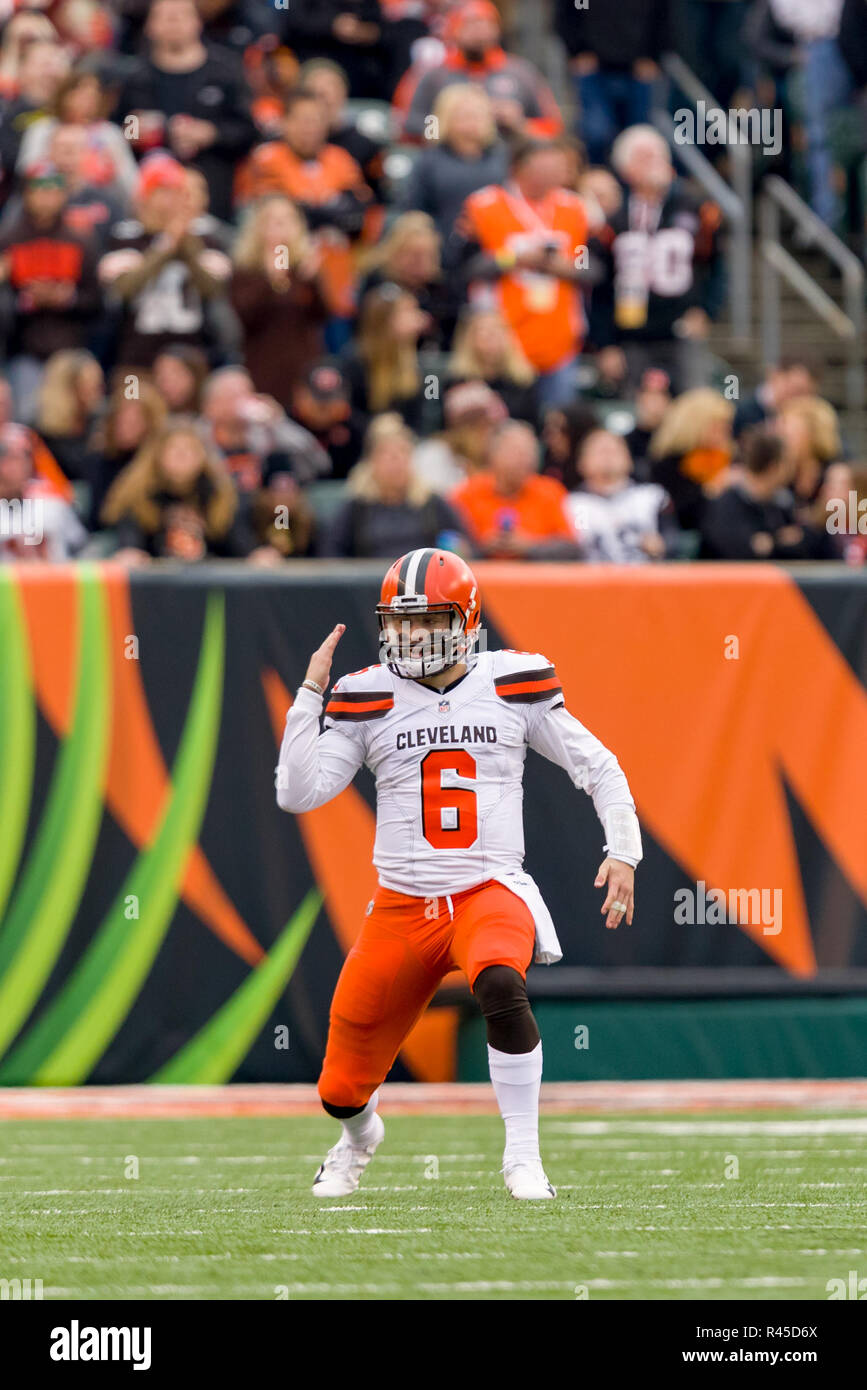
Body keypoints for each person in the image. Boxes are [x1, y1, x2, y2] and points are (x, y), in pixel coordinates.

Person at [276, 547, 642, 1198]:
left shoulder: (510, 682)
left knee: (501, 980)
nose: (411, 634)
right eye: (400, 622)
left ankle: (522, 1158)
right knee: (338, 1090)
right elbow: (297, 793)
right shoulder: (367, 695)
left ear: (465, 619)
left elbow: (600, 766)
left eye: (427, 619)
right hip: (401, 904)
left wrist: (623, 848)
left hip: (487, 888)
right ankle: (359, 1138)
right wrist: (308, 696)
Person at [447, 139, 590, 406]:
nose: (551, 174)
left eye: (556, 166)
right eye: (543, 166)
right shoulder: (484, 204)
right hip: (500, 339)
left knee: (556, 420)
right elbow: (464, 267)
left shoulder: (574, 207)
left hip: (558, 335)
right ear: (519, 167)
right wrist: (513, 258)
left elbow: (595, 269)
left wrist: (567, 268)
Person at [591, 125, 724, 396]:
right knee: (636, 406)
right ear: (626, 168)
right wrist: (605, 343)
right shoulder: (614, 221)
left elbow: (718, 264)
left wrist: (707, 310)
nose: (654, 162)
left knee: (691, 407)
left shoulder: (696, 209)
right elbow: (600, 285)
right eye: (644, 157)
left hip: (681, 330)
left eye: (658, 155)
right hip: (632, 335)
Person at [112, 0, 257, 222]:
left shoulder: (226, 71)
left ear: (198, 22)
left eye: (181, 14)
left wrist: (211, 133)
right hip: (150, 202)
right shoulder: (135, 76)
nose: (174, 22)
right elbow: (115, 132)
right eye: (165, 16)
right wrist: (134, 132)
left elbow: (249, 132)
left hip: (212, 196)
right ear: (150, 26)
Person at [98, 152, 233, 368]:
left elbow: (213, 289)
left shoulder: (204, 235)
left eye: (175, 192)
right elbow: (123, 289)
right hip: (139, 355)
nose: (170, 201)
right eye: (162, 192)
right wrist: (165, 246)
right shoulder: (125, 236)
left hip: (192, 357)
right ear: (144, 197)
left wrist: (187, 245)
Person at [0, 160, 100, 422]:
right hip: (24, 349)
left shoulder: (80, 241)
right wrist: (25, 301)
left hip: (71, 348)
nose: (47, 197)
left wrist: (68, 299)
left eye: (54, 190)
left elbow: (98, 301)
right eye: (40, 189)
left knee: (76, 419)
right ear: (27, 193)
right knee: (26, 417)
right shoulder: (8, 240)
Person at [394, 0, 563, 142]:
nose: (479, 32)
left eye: (485, 24)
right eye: (470, 24)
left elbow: (553, 127)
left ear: (497, 30)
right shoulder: (435, 74)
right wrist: (450, 126)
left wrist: (520, 125)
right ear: (453, 30)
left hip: (507, 157)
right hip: (448, 160)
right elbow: (410, 123)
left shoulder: (520, 73)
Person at [101, 418, 248, 562]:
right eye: (174, 449)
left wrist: (255, 554)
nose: (182, 456)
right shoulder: (138, 494)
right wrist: (130, 552)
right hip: (155, 580)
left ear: (203, 456)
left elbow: (239, 543)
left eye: (190, 449)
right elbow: (130, 543)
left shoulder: (218, 494)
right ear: (158, 455)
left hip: (208, 580)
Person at [230, 195, 328, 409]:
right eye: (273, 220)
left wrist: (312, 282)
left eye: (287, 220)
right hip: (263, 367)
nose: (280, 228)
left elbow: (322, 315)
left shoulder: (304, 268)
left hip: (303, 369)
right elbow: (245, 318)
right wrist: (270, 281)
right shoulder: (247, 270)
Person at [324, 413, 466, 557]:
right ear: (371, 460)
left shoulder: (431, 503)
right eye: (387, 454)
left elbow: (467, 547)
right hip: (372, 579)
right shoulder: (357, 507)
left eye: (402, 452)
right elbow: (331, 554)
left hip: (421, 577)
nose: (396, 461)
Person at [554, 0, 668, 165]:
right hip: (593, 70)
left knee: (638, 140)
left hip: (639, 71)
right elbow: (567, 13)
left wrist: (653, 57)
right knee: (596, 135)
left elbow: (663, 16)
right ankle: (597, 181)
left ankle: (630, 190)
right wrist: (577, 51)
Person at [450, 418, 580, 558]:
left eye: (530, 451)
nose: (525, 459)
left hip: (536, 577)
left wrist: (530, 546)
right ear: (493, 454)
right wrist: (482, 546)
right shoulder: (467, 493)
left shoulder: (550, 491)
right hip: (480, 577)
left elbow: (571, 548)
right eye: (517, 452)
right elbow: (447, 545)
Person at [699, 426, 831, 560]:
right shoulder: (727, 502)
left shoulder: (782, 502)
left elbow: (805, 544)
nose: (793, 468)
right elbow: (740, 550)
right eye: (788, 462)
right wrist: (779, 541)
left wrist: (771, 543)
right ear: (775, 467)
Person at [398, 84, 508, 241]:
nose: (472, 122)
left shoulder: (503, 157)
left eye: (477, 115)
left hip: (498, 246)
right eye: (464, 115)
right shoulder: (429, 161)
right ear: (446, 118)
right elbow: (415, 211)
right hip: (444, 244)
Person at [568, 428, 680, 563]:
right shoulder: (571, 504)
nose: (607, 457)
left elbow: (673, 539)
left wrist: (661, 546)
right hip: (588, 580)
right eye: (599, 451)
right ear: (581, 463)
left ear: (629, 459)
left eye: (614, 450)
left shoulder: (653, 497)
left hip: (646, 578)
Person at [648, 387, 734, 531]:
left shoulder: (726, 459)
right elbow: (677, 515)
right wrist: (710, 490)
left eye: (726, 426)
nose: (724, 433)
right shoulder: (667, 466)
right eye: (717, 427)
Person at [0, 421, 87, 560]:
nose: (18, 466)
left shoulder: (51, 501)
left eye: (25, 457)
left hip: (55, 579)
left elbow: (80, 545)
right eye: (8, 457)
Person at [447, 304, 539, 423]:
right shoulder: (456, 379)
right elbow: (443, 422)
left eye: (498, 330)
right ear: (469, 339)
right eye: (484, 331)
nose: (492, 337)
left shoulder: (523, 380)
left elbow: (532, 424)